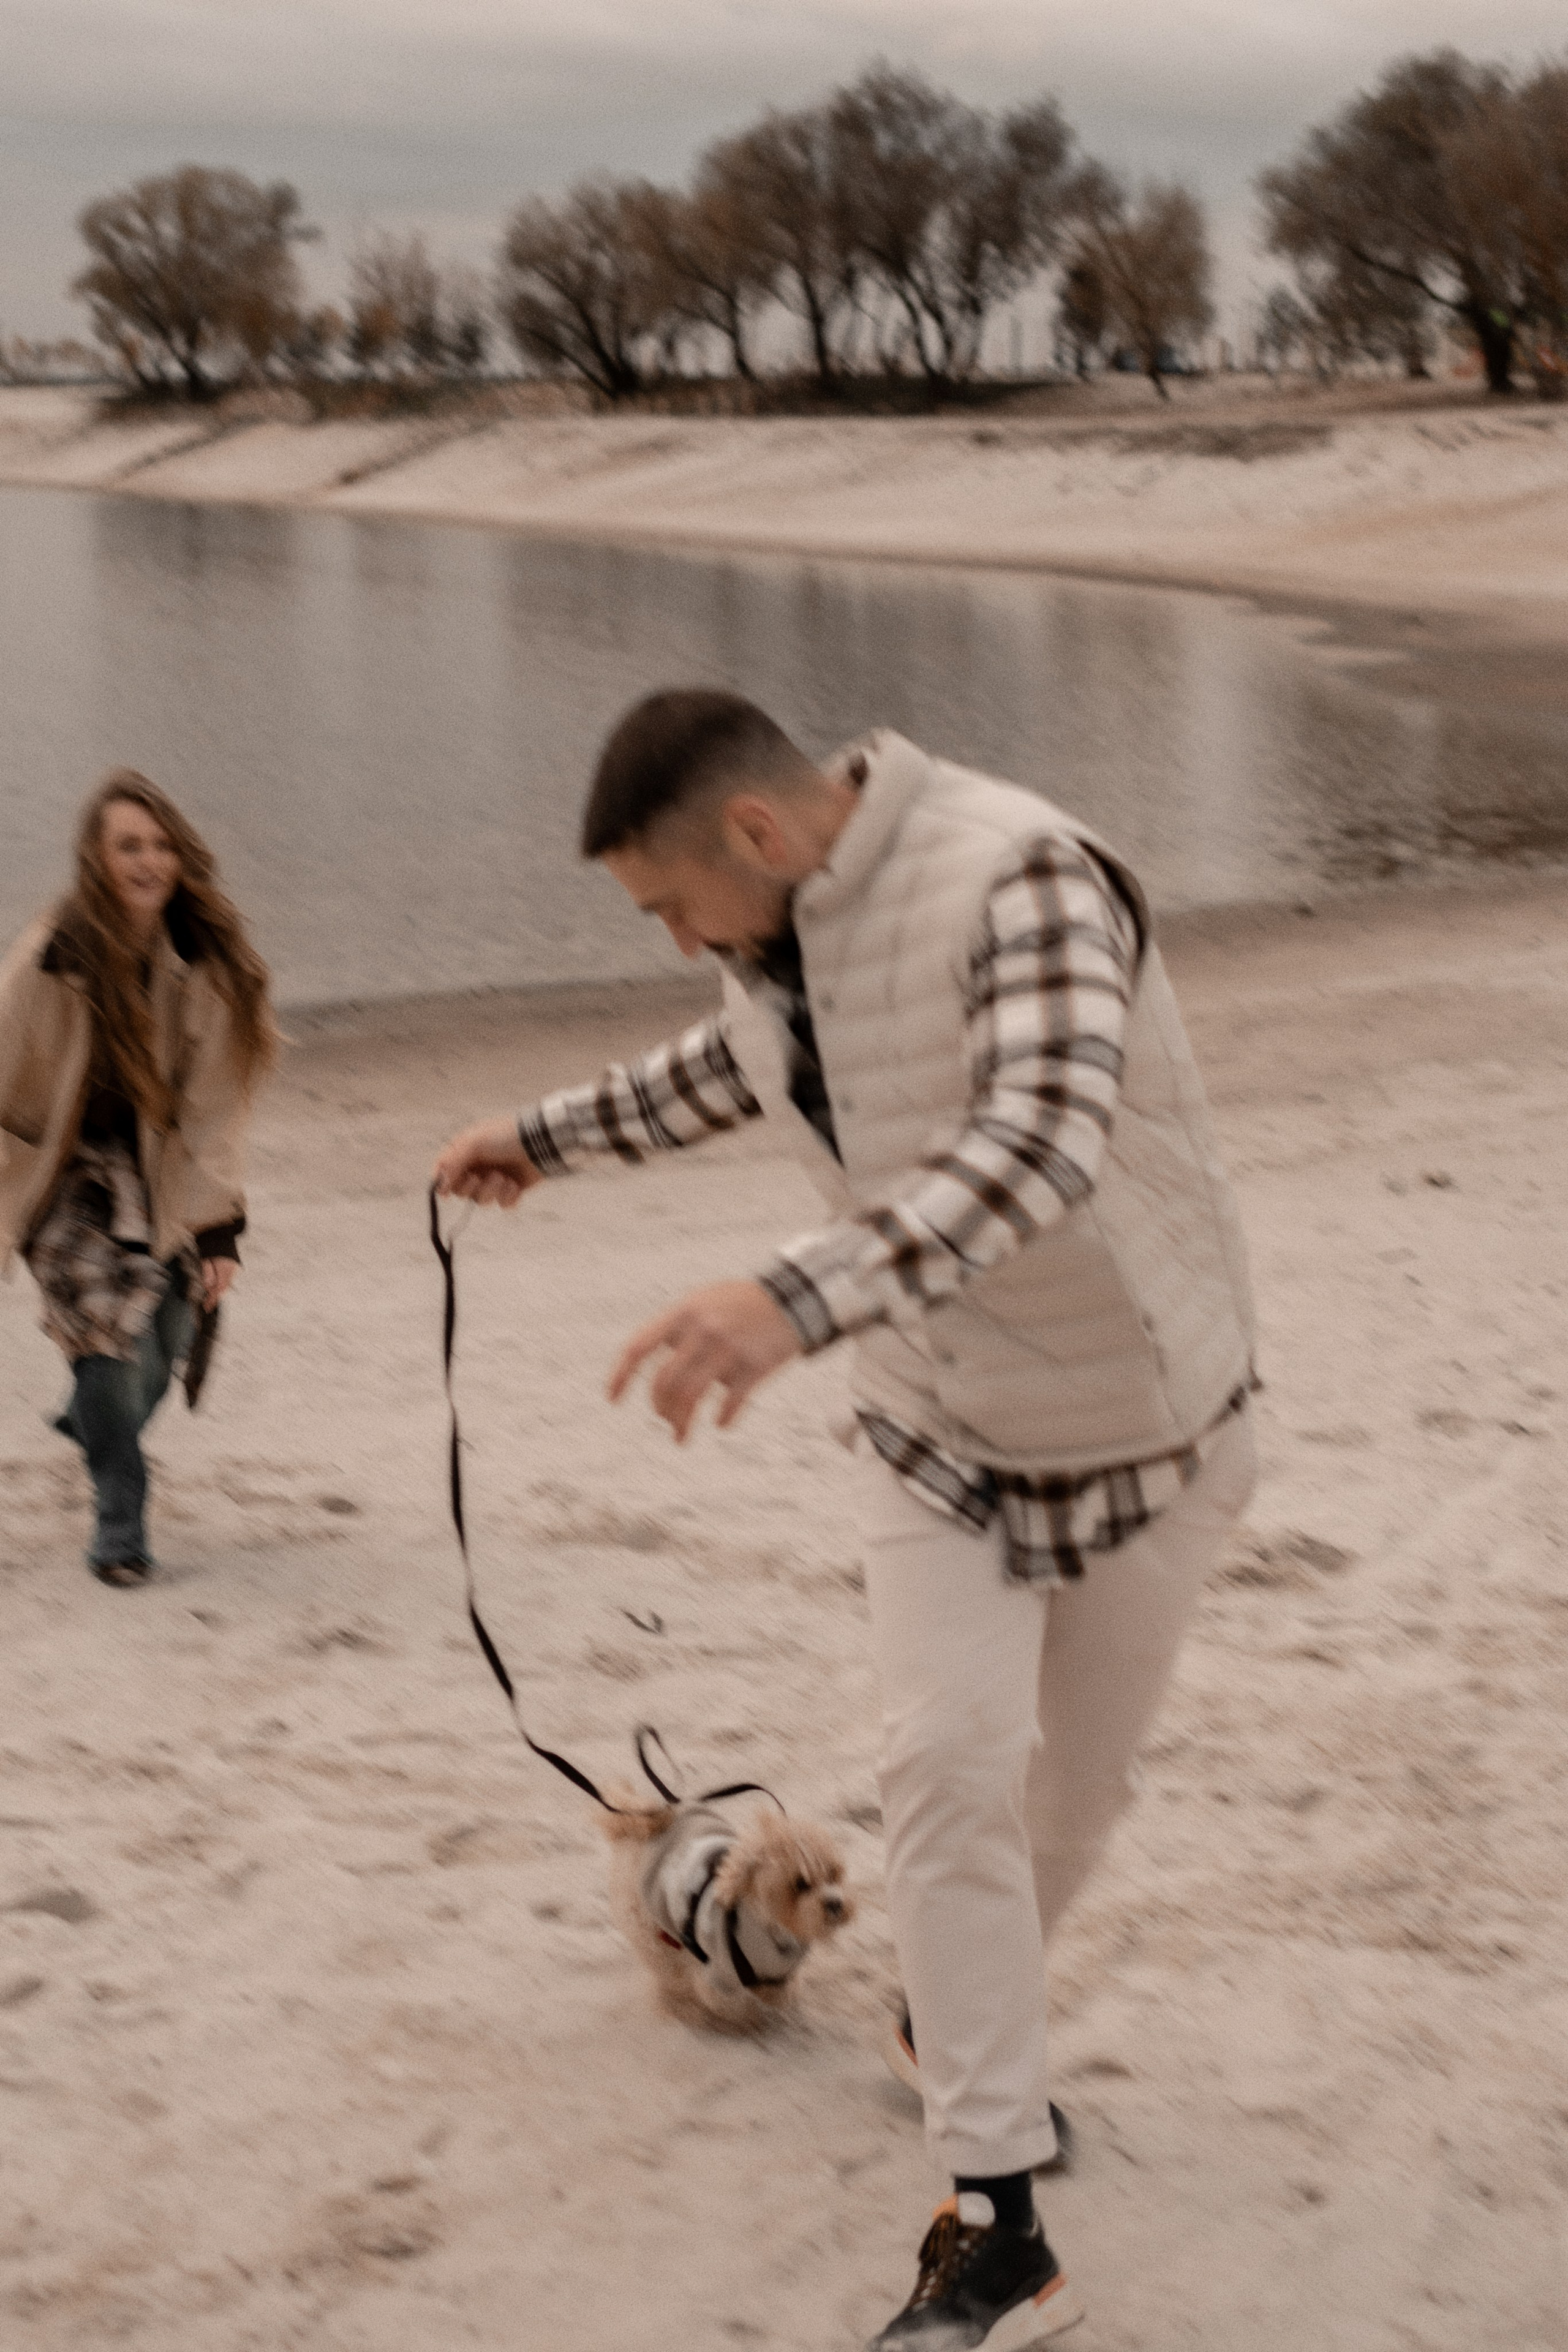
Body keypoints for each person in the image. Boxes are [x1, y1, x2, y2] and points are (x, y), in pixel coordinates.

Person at [434, 690, 1257, 2350]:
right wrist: (539, 1137)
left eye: (670, 907)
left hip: (1149, 1429)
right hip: (932, 1426)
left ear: (754, 830)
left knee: (1070, 1799)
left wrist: (786, 1299)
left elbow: (1037, 1144)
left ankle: (941, 2026)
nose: (680, 944)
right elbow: (730, 1066)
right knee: (944, 1766)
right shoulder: (778, 935)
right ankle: (997, 2224)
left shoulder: (1022, 874)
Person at [0, 771, 276, 1588]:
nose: (148, 861)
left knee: (163, 1340)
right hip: (54, 1169)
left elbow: (215, 1112)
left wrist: (217, 1228)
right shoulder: (50, 955)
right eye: (128, 846)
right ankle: (120, 1518)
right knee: (102, 1339)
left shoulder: (204, 963)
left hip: (159, 1169)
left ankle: (94, 1422)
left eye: (161, 845)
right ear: (96, 857)